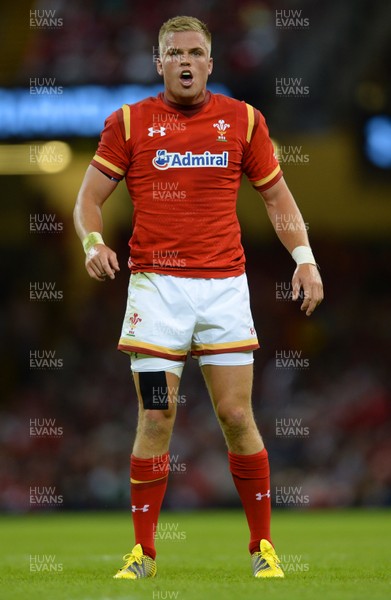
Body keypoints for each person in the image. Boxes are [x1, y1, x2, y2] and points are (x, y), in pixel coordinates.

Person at [74, 15, 323, 580]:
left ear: (211, 63)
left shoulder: (243, 121)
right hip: (156, 293)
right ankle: (144, 556)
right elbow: (87, 200)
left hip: (224, 293)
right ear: (157, 62)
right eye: (173, 53)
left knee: (237, 414)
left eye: (195, 52)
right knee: (156, 415)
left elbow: (278, 198)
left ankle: (263, 549)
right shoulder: (130, 123)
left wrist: (304, 260)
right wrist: (92, 242)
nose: (185, 61)